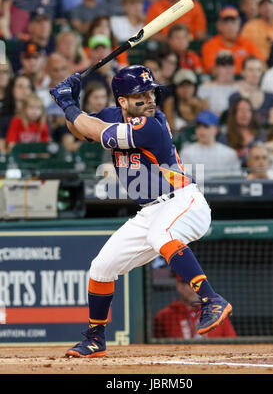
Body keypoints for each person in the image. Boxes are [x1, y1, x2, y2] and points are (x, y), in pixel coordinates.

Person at [49, 64, 233, 357]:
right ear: (121, 101)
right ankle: (95, 338)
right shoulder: (111, 114)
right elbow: (81, 129)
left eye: (151, 93)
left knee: (162, 235)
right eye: (140, 95)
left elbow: (99, 133)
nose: (150, 99)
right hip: (151, 209)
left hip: (183, 200)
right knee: (101, 267)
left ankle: (211, 299)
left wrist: (68, 104)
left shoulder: (152, 124)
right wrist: (71, 102)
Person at [154, 274, 237, 339]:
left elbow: (232, 341)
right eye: (188, 284)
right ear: (179, 285)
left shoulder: (216, 311)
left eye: (197, 284)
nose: (193, 288)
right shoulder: (164, 316)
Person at [201, 5, 265, 76]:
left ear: (239, 25)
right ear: (219, 26)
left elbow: (262, 65)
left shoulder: (248, 43)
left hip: (246, 82)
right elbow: (213, 70)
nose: (230, 26)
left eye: (233, 22)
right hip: (223, 83)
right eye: (226, 22)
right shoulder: (210, 45)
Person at [180, 110, 242, 181]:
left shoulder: (229, 154)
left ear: (216, 129)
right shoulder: (186, 153)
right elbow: (183, 182)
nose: (201, 130)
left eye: (206, 126)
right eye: (199, 126)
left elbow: (236, 181)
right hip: (197, 191)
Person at [229, 56, 273, 127]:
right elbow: (234, 125)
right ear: (243, 72)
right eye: (250, 70)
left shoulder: (270, 97)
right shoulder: (234, 97)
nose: (255, 74)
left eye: (258, 70)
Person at [162, 68, 208, 133]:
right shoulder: (170, 102)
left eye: (189, 85)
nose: (186, 89)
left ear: (195, 87)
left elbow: (207, 127)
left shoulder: (203, 102)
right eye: (182, 85)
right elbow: (170, 129)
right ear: (175, 88)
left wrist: (197, 108)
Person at [223, 97, 266, 165]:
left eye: (248, 110)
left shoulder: (261, 134)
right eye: (241, 110)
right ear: (234, 113)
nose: (245, 114)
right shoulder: (225, 137)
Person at [197, 50, 239, 118]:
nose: (227, 68)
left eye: (230, 65)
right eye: (223, 65)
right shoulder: (205, 88)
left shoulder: (239, 88)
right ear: (216, 68)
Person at [0, 74, 35, 153]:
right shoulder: (3, 118)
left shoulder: (40, 118)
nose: (25, 90)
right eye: (20, 86)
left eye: (28, 87)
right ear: (12, 89)